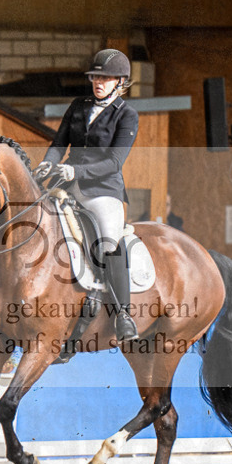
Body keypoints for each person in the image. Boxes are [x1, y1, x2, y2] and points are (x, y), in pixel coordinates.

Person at [34, 48, 140, 341]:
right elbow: (59, 143)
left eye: (105, 78)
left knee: (109, 241)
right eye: (95, 77)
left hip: (102, 190)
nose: (98, 82)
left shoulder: (127, 115)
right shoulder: (78, 106)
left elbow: (114, 162)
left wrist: (75, 171)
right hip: (65, 183)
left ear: (120, 82)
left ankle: (122, 314)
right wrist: (48, 163)